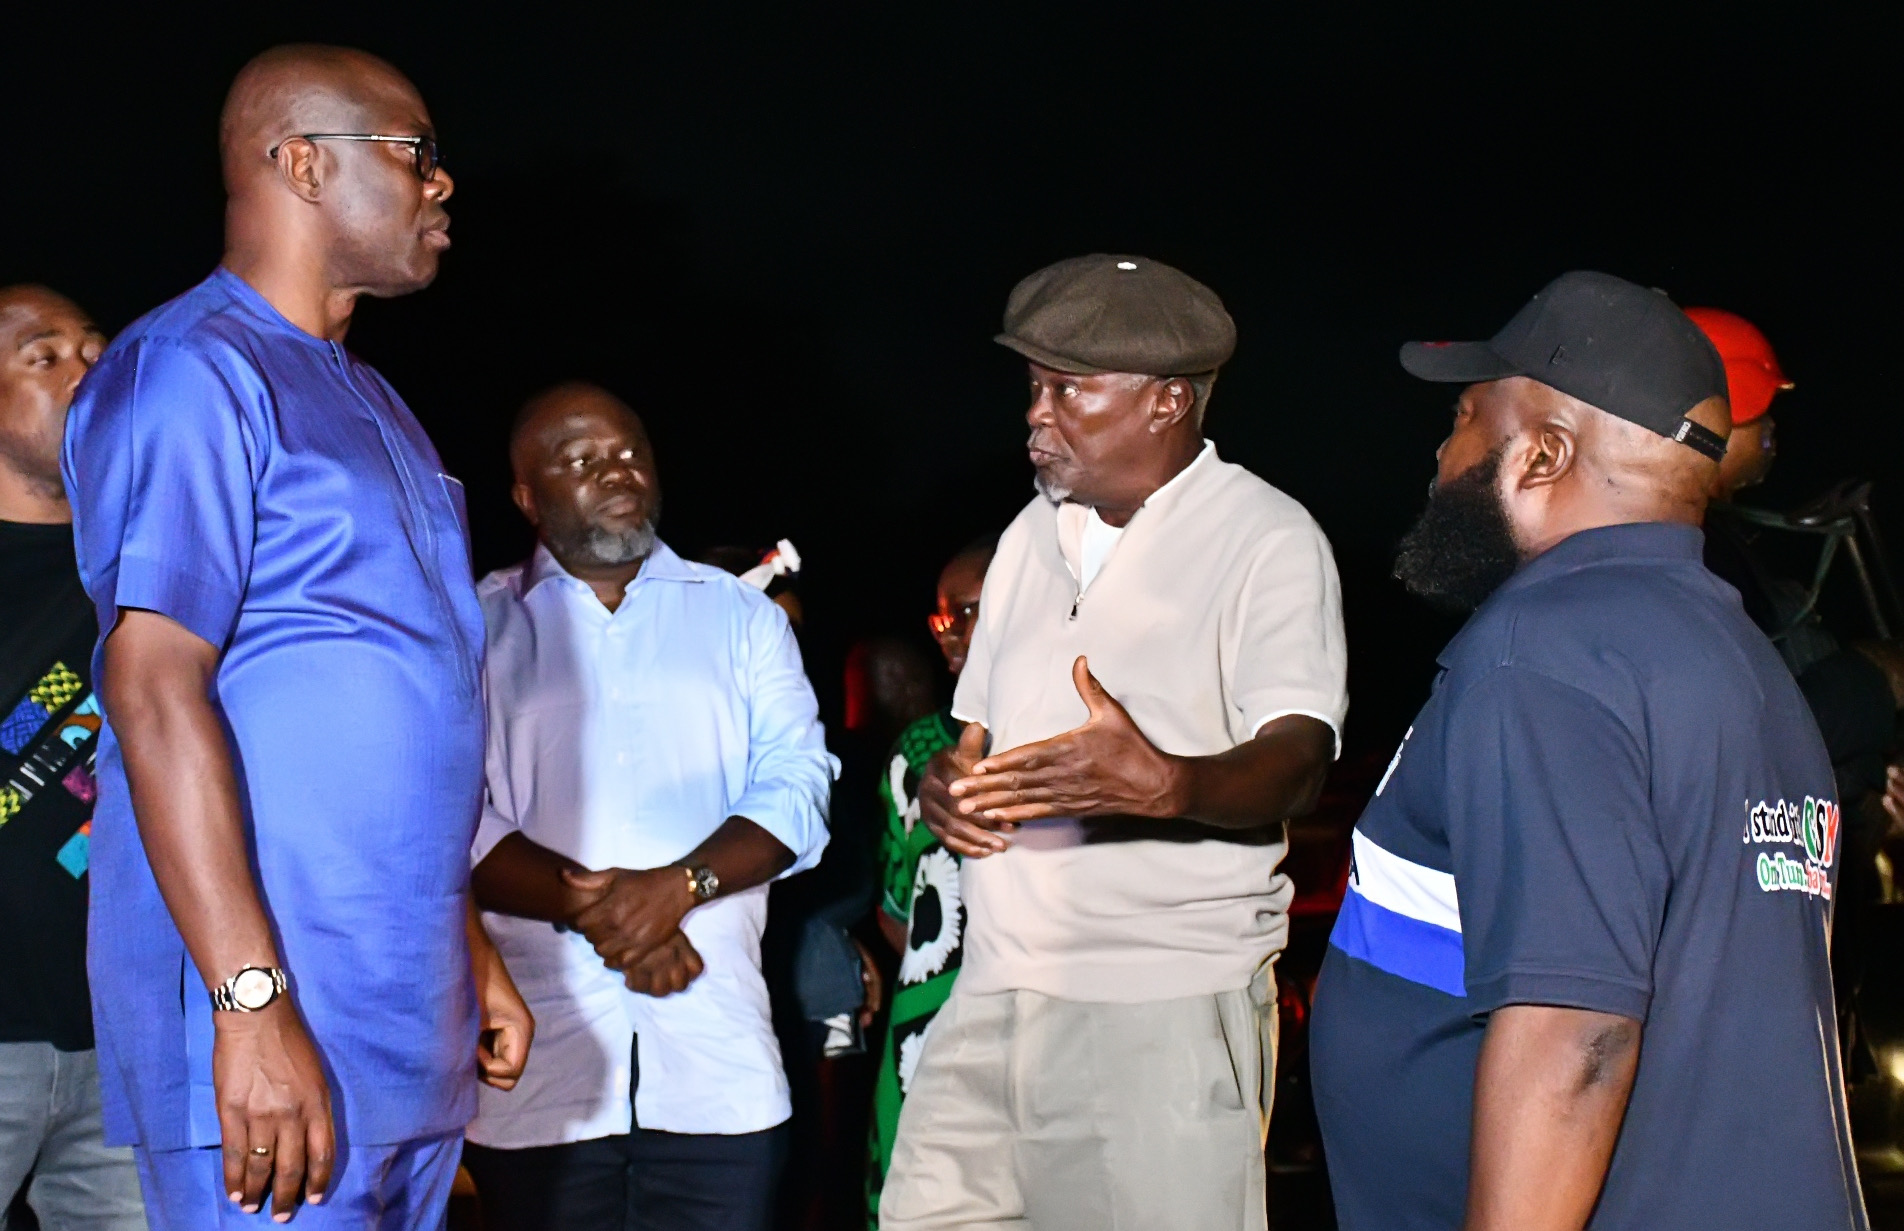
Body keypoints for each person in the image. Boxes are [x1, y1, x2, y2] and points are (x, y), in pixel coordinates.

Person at [60, 45, 531, 1229]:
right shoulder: (187, 372)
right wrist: (249, 1002)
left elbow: (397, 712)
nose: (442, 185)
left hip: (401, 1026)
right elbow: (154, 688)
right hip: (271, 1035)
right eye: (416, 154)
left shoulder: (377, 402)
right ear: (304, 162)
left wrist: (465, 945)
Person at [1310, 271, 1866, 1229]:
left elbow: (1581, 1035)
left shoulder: (1544, 653)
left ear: (1543, 453)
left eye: (1465, 418)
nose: (1442, 453)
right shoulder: (1748, 670)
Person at [883, 255, 1347, 1231]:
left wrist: (1170, 783)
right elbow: (972, 743)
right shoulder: (1023, 539)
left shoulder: (1265, 537)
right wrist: (946, 787)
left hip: (1158, 1006)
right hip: (994, 993)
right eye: (1031, 385)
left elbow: (1298, 756)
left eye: (1067, 388)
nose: (1035, 414)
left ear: (1165, 401)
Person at [460, 382, 835, 1231]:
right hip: (541, 1073)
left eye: (629, 451)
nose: (615, 470)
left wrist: (681, 887)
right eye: (580, 458)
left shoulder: (742, 616)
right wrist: (600, 907)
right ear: (526, 494)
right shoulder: (476, 626)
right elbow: (453, 814)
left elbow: (798, 784)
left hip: (719, 1067)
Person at [0, 285, 147, 1229]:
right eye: (43, 355)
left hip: (126, 1048)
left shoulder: (154, 566)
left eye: (97, 347)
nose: (85, 368)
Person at [864, 538, 992, 1227]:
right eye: (943, 620)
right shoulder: (917, 750)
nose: (952, 637)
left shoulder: (1081, 738)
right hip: (934, 1026)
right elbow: (894, 910)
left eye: (968, 613)